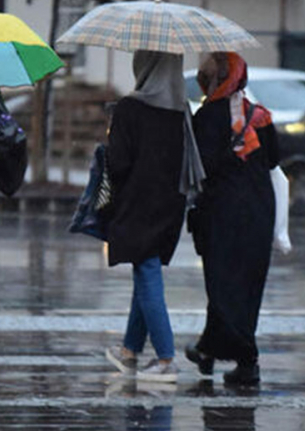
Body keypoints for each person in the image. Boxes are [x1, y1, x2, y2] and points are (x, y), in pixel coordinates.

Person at [103, 50, 206, 383]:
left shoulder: (131, 108)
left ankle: (165, 358)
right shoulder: (181, 111)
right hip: (170, 205)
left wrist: (111, 136)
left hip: (138, 203)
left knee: (147, 275)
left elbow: (117, 164)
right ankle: (130, 351)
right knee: (144, 268)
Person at [184, 52, 278, 386]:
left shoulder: (206, 116)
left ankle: (247, 359)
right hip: (259, 210)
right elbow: (274, 159)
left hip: (221, 212)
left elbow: (199, 166)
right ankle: (208, 351)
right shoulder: (260, 116)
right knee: (247, 285)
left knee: (222, 284)